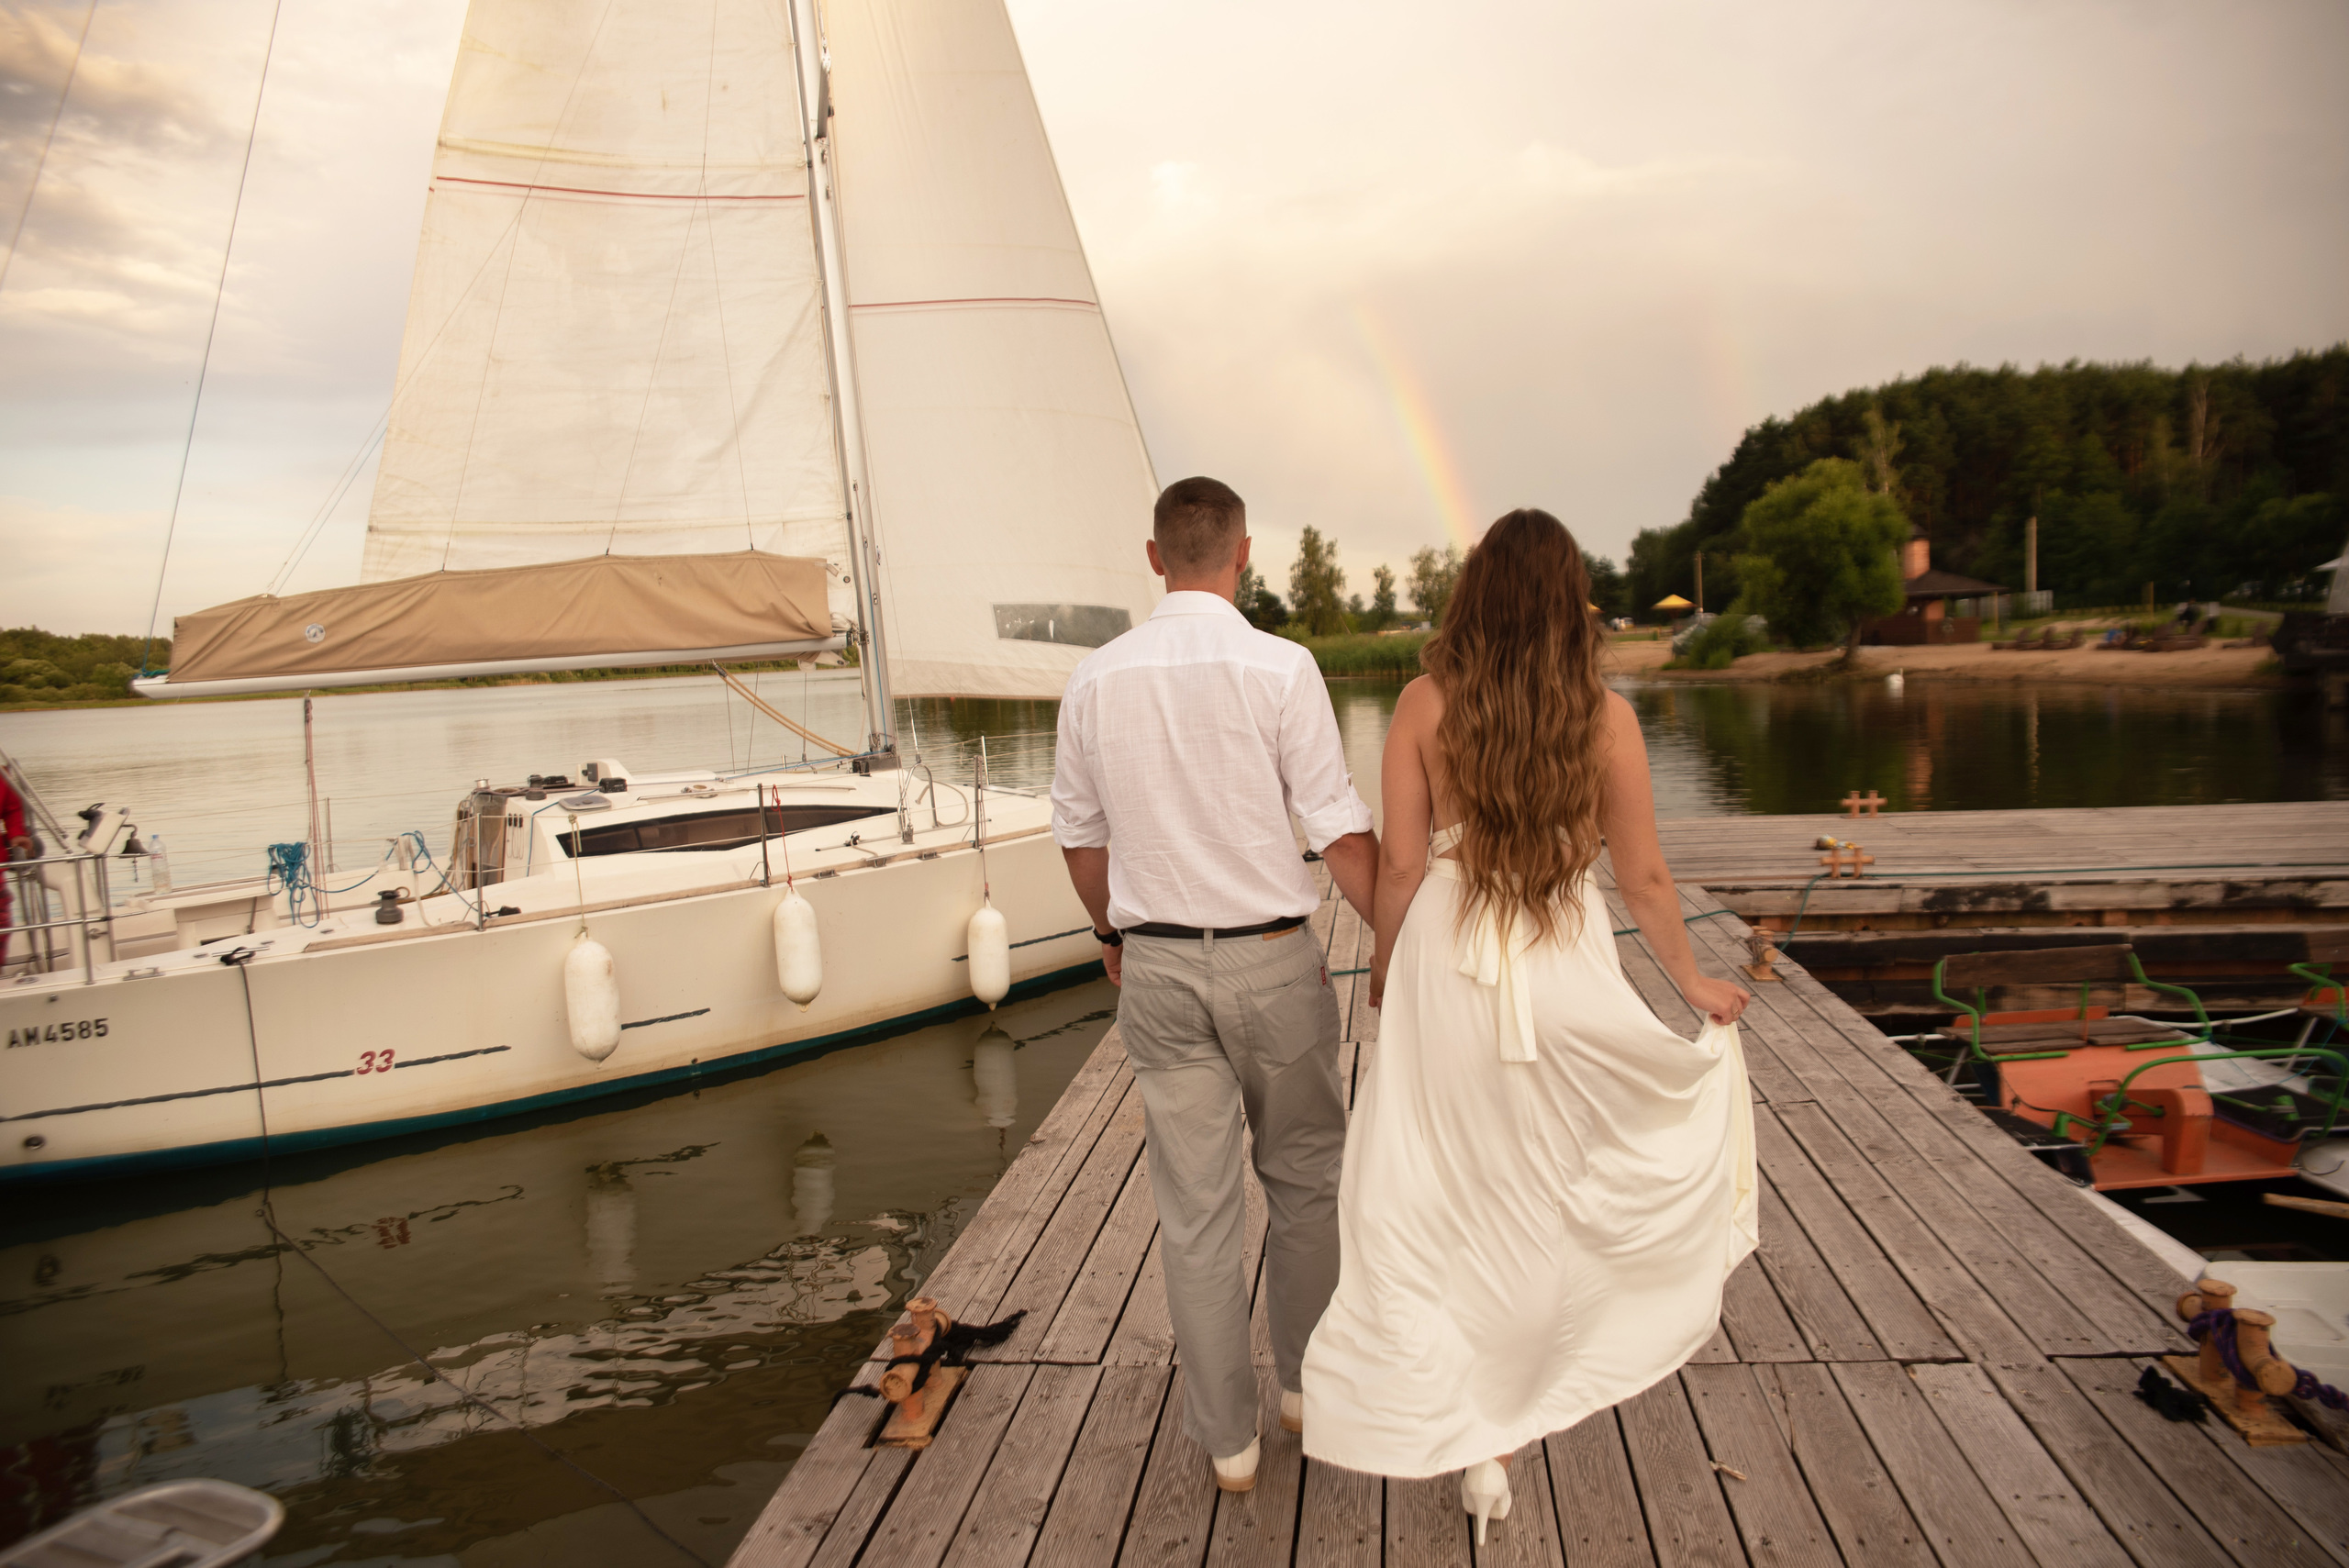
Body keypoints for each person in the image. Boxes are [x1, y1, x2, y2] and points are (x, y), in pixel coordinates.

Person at [1300, 509, 1756, 1542]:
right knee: (1549, 1185)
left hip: (1445, 964)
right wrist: (1689, 983)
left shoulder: (1421, 702)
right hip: (1558, 955)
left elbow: (1406, 866)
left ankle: (1452, 1410)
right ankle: (1497, 1442)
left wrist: (1384, 973)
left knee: (1429, 1186)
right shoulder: (1605, 716)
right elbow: (1639, 875)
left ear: (1475, 593)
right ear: (1568, 600)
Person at [1052, 476, 1379, 1494]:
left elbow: (1079, 834)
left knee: (1194, 1210)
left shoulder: (1095, 680)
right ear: (1242, 553)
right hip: (1274, 958)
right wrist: (1402, 938)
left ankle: (1228, 1439)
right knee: (1305, 1179)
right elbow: (1332, 821)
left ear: (1155, 557)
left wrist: (1112, 932)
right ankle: (1306, 1392)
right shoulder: (1282, 667)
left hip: (1155, 966)